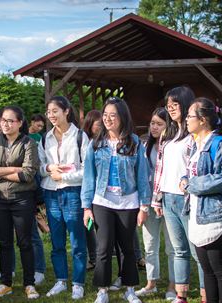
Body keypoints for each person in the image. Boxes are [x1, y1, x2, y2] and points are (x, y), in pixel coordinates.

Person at [82, 97, 151, 303]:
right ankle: (102, 291)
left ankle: (129, 289)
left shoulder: (135, 142)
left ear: (123, 117)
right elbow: (88, 177)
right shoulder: (95, 144)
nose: (108, 119)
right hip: (102, 201)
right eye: (105, 115)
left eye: (113, 115)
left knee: (127, 248)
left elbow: (141, 175)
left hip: (128, 203)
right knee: (103, 248)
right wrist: (87, 207)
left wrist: (144, 206)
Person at [152, 86, 205, 303]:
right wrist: (157, 198)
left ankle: (205, 294)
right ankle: (181, 295)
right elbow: (160, 169)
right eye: (168, 105)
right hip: (168, 199)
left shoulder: (195, 135)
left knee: (197, 251)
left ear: (185, 104)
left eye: (175, 104)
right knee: (178, 250)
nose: (171, 108)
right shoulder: (168, 133)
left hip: (187, 200)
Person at [182, 97, 222, 303]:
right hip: (198, 215)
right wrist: (185, 180)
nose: (186, 120)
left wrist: (193, 184)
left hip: (216, 215)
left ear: (203, 119)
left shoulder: (220, 144)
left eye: (189, 116)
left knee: (220, 271)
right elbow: (194, 173)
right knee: (207, 271)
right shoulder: (197, 145)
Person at [0, 106, 40, 299]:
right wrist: (14, 169)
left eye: (10, 121)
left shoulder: (28, 143)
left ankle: (29, 283)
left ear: (20, 123)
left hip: (22, 199)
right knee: (4, 243)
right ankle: (6, 283)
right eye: (3, 120)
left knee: (25, 243)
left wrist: (1, 172)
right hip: (0, 200)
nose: (5, 124)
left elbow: (29, 173)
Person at [39, 96, 88, 300]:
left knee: (77, 241)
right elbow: (39, 168)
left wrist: (64, 176)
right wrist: (49, 168)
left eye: (55, 111)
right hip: (50, 193)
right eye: (49, 112)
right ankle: (60, 280)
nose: (51, 115)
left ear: (66, 111)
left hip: (73, 192)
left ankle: (78, 283)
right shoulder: (45, 138)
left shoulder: (80, 137)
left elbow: (87, 169)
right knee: (56, 241)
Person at [135, 107, 176, 301]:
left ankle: (173, 285)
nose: (154, 127)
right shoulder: (145, 145)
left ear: (169, 126)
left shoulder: (174, 146)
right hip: (149, 203)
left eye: (159, 124)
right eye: (152, 123)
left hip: (169, 202)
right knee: (150, 244)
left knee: (172, 246)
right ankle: (151, 283)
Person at [82, 109, 101, 270]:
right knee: (88, 225)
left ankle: (137, 256)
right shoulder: (84, 141)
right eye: (98, 124)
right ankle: (93, 257)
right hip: (87, 188)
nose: (101, 127)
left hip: (101, 190)